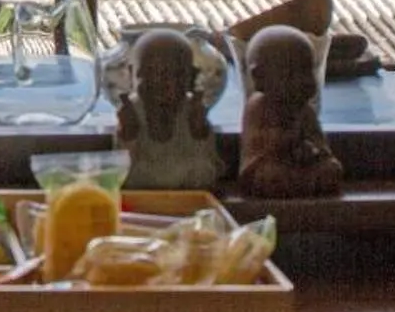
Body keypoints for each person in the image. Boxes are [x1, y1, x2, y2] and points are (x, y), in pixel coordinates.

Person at [238, 25, 344, 198]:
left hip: (301, 166)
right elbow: (257, 147)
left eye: (309, 71)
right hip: (273, 165)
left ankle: (306, 184)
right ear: (259, 77)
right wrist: (283, 140)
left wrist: (314, 149)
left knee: (331, 169)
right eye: (292, 74)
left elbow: (318, 140)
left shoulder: (305, 109)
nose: (306, 81)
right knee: (270, 176)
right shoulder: (258, 107)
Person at [115, 29, 223, 189]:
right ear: (132, 76)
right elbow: (123, 177)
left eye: (174, 75)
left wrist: (198, 131)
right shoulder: (132, 112)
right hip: (142, 199)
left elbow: (206, 176)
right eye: (150, 73)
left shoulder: (192, 111)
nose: (160, 84)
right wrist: (129, 134)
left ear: (191, 77)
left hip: (187, 199)